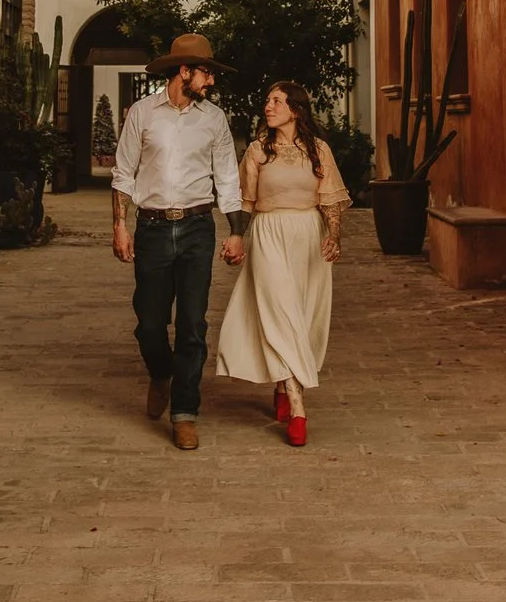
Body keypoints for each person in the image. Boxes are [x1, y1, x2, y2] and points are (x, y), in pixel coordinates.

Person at [110, 33, 246, 450]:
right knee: (150, 323)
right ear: (184, 71)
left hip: (196, 229)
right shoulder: (143, 114)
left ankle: (185, 412)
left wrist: (237, 230)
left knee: (192, 324)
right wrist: (120, 224)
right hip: (151, 229)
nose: (211, 82)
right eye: (206, 73)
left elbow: (226, 178)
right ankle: (160, 373)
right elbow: (123, 173)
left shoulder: (214, 119)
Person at [215, 80, 350, 448]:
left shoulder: (318, 150)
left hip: (308, 234)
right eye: (267, 100)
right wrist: (236, 236)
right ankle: (297, 403)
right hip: (269, 232)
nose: (268, 106)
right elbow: (244, 201)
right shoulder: (258, 152)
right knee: (279, 311)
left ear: (296, 109)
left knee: (301, 315)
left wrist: (334, 236)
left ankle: (280, 383)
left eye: (276, 100)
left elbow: (331, 199)